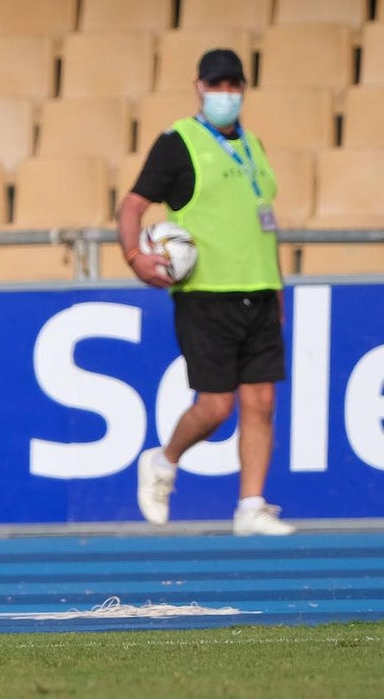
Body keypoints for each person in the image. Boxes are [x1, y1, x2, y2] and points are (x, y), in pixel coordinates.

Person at [116, 49, 295, 537]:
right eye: (217, 84)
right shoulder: (180, 142)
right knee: (216, 406)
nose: (226, 92)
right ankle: (164, 460)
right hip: (207, 294)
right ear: (199, 86)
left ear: (244, 86)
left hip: (258, 288)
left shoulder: (253, 144)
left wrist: (277, 288)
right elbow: (132, 205)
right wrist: (135, 257)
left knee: (261, 401)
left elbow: (264, 224)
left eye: (233, 84)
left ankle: (251, 505)